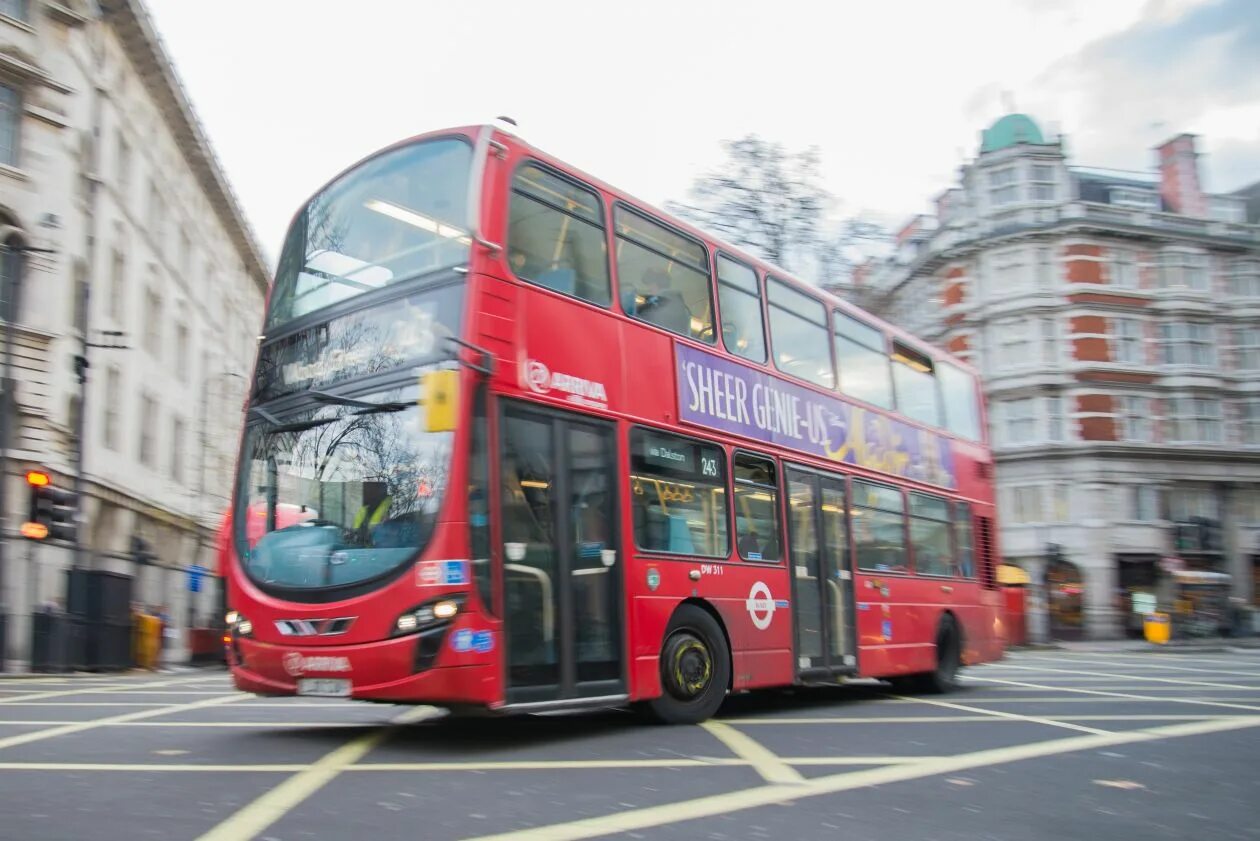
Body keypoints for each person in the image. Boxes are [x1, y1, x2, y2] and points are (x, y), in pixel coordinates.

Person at [634, 268, 692, 335]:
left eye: (649, 285)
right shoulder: (684, 310)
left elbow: (640, 320)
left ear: (654, 284)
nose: (648, 289)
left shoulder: (657, 302)